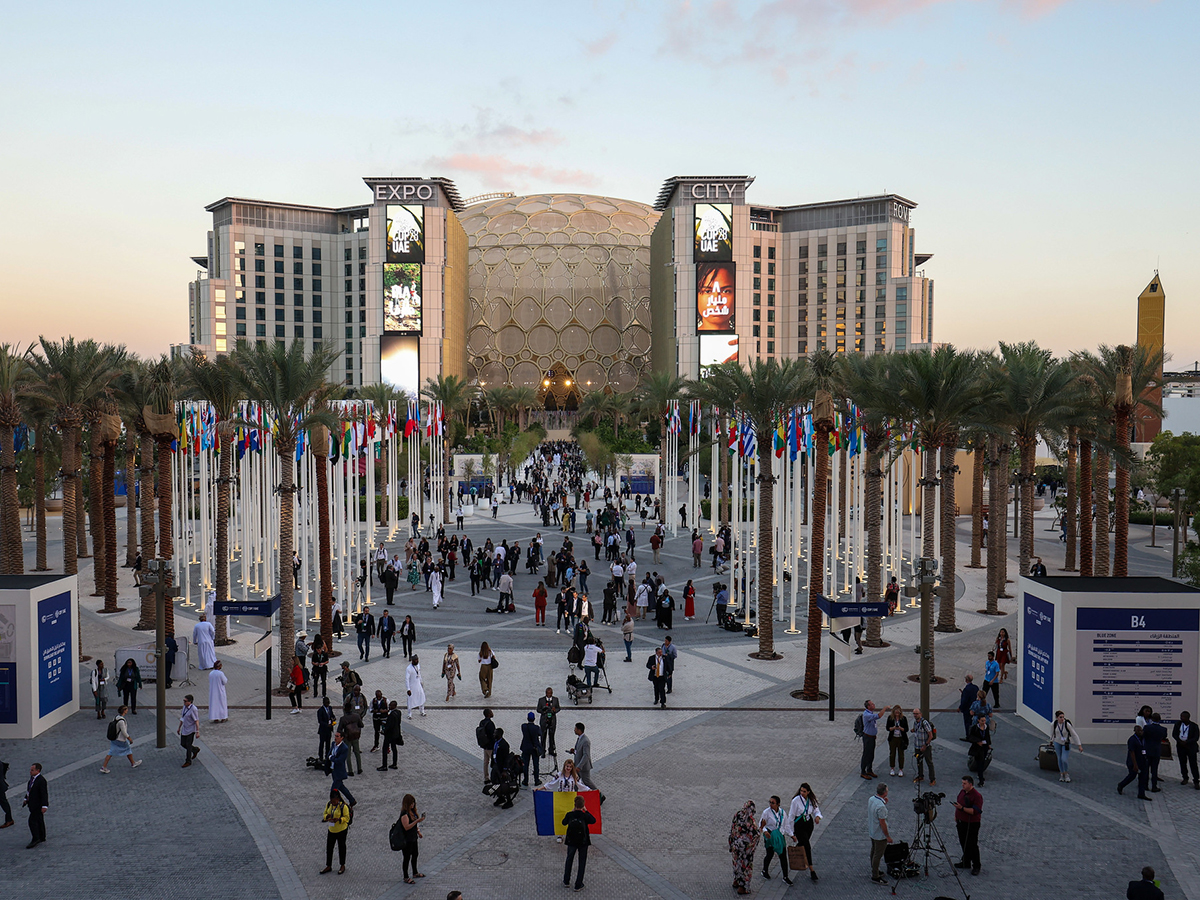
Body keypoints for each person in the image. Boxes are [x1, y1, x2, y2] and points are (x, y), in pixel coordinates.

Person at [787, 783, 821, 882]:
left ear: (808, 792)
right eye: (801, 791)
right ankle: (811, 869)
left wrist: (817, 816)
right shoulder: (795, 801)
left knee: (803, 843)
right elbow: (791, 816)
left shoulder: (811, 800)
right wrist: (791, 832)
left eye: (804, 791)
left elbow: (816, 809)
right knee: (807, 845)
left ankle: (797, 852)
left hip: (808, 823)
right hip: (799, 824)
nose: (802, 793)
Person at [562, 795, 597, 891]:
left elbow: (563, 823)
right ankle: (578, 884)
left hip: (571, 841)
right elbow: (593, 820)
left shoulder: (570, 815)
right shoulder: (585, 816)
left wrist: (573, 811)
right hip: (583, 842)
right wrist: (586, 811)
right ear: (583, 805)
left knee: (569, 859)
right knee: (582, 862)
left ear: (574, 804)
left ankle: (566, 881)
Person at [952, 775, 983, 876]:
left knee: (972, 844)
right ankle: (966, 861)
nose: (962, 785)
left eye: (964, 783)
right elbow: (959, 804)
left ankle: (976, 865)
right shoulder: (962, 792)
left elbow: (976, 811)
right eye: (962, 783)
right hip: (961, 822)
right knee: (963, 842)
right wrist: (957, 815)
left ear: (970, 784)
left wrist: (961, 809)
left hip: (972, 824)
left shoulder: (977, 796)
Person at [759, 795, 792, 885]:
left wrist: (791, 835)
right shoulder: (766, 812)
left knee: (783, 856)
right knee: (770, 854)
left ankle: (785, 876)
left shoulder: (782, 813)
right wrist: (765, 831)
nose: (770, 804)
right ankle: (764, 870)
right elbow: (761, 824)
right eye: (769, 802)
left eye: (772, 803)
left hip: (780, 836)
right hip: (770, 836)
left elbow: (786, 825)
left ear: (778, 804)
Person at [729, 800, 760, 896]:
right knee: (745, 867)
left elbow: (733, 828)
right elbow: (756, 835)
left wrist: (731, 843)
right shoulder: (751, 822)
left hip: (736, 846)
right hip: (746, 849)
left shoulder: (737, 815)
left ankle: (736, 881)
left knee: (736, 863)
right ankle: (743, 887)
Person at [100, 706, 141, 774]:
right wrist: (129, 738)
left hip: (114, 739)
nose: (127, 710)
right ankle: (133, 763)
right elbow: (124, 732)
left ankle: (104, 767)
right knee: (128, 749)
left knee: (110, 752)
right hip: (120, 739)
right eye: (126, 709)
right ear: (124, 711)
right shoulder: (122, 721)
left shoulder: (116, 717)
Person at [319, 788, 351, 875]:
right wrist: (327, 816)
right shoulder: (329, 804)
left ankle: (342, 865)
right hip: (331, 830)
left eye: (334, 801)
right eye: (332, 801)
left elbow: (347, 818)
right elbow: (324, 814)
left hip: (341, 830)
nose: (333, 803)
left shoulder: (343, 806)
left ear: (338, 799)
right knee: (329, 848)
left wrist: (339, 819)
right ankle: (328, 865)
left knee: (341, 847)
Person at [568, 722, 601, 800]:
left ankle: (599, 794)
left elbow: (586, 755)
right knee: (575, 780)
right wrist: (573, 751)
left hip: (583, 767)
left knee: (587, 781)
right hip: (577, 765)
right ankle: (573, 795)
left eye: (575, 729)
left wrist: (579, 766)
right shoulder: (579, 738)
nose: (574, 730)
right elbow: (579, 751)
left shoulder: (586, 741)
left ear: (579, 730)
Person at [867, 782, 892, 884]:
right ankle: (875, 875)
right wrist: (887, 836)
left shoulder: (871, 799)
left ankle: (875, 869)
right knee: (878, 854)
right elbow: (882, 823)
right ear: (885, 793)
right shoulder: (881, 807)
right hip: (879, 834)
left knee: (873, 851)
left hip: (872, 830)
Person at [396, 793, 425, 883]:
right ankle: (406, 876)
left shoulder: (412, 812)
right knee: (407, 857)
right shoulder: (404, 814)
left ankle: (415, 872)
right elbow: (407, 827)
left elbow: (414, 825)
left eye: (414, 803)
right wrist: (417, 820)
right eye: (411, 803)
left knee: (415, 854)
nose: (413, 805)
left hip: (413, 838)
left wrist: (418, 832)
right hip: (407, 840)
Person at [1118, 724, 1152, 800]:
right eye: (1138, 731)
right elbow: (1132, 752)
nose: (1140, 732)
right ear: (1135, 731)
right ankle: (1121, 785)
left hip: (1143, 761)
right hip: (1133, 762)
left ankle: (1141, 793)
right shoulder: (1132, 740)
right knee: (1132, 776)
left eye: (1141, 730)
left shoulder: (1143, 739)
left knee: (1143, 778)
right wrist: (1135, 765)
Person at [22, 763, 48, 849]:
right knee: (39, 819)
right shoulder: (32, 780)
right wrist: (26, 799)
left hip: (37, 805)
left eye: (32, 770)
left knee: (32, 821)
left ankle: (36, 838)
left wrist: (44, 805)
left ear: (38, 771)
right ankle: (42, 836)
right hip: (32, 804)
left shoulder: (41, 780)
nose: (30, 771)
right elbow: (29, 790)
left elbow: (44, 794)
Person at [328, 731, 356, 807]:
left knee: (333, 790)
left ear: (342, 738)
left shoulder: (344, 748)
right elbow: (329, 753)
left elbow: (340, 761)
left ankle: (336, 804)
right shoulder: (333, 744)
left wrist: (331, 758)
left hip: (339, 772)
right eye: (335, 736)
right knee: (341, 787)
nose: (335, 738)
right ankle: (352, 800)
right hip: (333, 770)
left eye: (337, 736)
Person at [911, 707, 937, 787]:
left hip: (925, 746)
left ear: (920, 714)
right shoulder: (915, 723)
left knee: (929, 762)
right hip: (917, 746)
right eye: (914, 714)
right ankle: (920, 776)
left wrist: (925, 745)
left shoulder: (925, 723)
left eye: (917, 713)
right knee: (919, 761)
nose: (915, 715)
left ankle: (932, 779)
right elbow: (916, 730)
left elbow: (930, 735)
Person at [1173, 711, 1200, 788]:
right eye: (1181, 716)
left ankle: (1196, 780)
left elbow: (1196, 737)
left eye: (1183, 717)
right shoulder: (1178, 724)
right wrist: (1179, 741)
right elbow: (1174, 734)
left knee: (1193, 764)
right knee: (1182, 763)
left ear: (1188, 717)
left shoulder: (1194, 726)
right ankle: (1185, 777)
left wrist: (1187, 742)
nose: (1182, 718)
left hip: (1190, 747)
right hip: (1181, 746)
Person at [1144, 713, 1168, 792]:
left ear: (1152, 719)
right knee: (1154, 769)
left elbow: (1144, 736)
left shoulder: (1147, 728)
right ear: (1159, 719)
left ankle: (1145, 785)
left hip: (1147, 750)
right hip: (1157, 750)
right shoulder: (1163, 729)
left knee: (1146, 769)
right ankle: (1154, 786)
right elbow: (1164, 737)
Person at [338, 704, 365, 777]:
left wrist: (344, 734)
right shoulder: (356, 716)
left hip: (347, 737)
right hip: (355, 736)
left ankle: (350, 771)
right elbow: (361, 725)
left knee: (348, 754)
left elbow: (339, 730)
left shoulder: (343, 719)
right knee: (357, 752)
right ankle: (359, 768)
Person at [378, 700, 405, 770]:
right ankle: (394, 764)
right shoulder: (398, 712)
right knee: (394, 748)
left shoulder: (391, 715)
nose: (389, 706)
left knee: (385, 749)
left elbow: (389, 726)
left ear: (394, 706)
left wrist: (383, 731)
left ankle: (384, 765)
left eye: (390, 705)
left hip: (389, 735)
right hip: (395, 734)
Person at [859, 700, 882, 779]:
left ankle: (869, 769)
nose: (874, 705)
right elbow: (879, 716)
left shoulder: (870, 713)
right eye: (872, 704)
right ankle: (863, 771)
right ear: (868, 706)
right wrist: (885, 708)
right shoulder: (867, 715)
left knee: (871, 754)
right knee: (866, 754)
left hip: (872, 737)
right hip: (867, 737)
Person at [968, 714, 992, 785]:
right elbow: (970, 737)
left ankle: (980, 774)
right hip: (977, 747)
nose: (983, 722)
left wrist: (988, 744)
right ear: (978, 720)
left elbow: (987, 736)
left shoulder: (986, 727)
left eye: (984, 720)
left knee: (982, 760)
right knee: (980, 760)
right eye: (982, 721)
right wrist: (977, 741)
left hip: (984, 746)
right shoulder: (974, 728)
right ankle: (981, 778)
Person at [885, 704, 908, 777]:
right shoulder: (890, 718)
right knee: (892, 753)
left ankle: (901, 769)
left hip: (901, 738)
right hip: (893, 738)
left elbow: (906, 729)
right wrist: (893, 728)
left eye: (898, 712)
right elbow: (887, 728)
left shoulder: (903, 718)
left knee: (901, 754)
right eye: (896, 712)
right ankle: (892, 768)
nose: (897, 713)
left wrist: (901, 728)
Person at [178, 695, 201, 767]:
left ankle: (188, 761)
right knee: (183, 743)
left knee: (188, 745)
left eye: (185, 701)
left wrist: (197, 731)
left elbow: (196, 720)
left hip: (191, 729)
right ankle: (195, 749)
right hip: (185, 728)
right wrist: (179, 727)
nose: (184, 702)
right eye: (183, 701)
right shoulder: (184, 707)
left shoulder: (193, 709)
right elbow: (183, 717)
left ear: (190, 702)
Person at [521, 711, 543, 786]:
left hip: (526, 747)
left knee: (525, 764)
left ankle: (525, 780)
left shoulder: (524, 726)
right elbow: (540, 734)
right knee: (536, 764)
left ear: (527, 718)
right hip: (534, 748)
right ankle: (536, 780)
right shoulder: (536, 728)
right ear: (534, 719)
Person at [537, 688, 560, 758]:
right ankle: (542, 751)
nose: (549, 695)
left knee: (552, 736)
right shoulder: (541, 700)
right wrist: (544, 711)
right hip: (544, 720)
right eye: (548, 693)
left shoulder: (556, 700)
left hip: (552, 721)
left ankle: (551, 750)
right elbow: (538, 709)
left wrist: (554, 710)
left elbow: (558, 708)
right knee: (543, 736)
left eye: (550, 693)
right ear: (546, 693)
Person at [958, 674, 979, 740]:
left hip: (967, 708)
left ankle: (969, 736)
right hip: (975, 708)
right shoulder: (976, 687)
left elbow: (964, 700)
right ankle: (974, 734)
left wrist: (960, 708)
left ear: (966, 680)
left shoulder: (966, 689)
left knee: (967, 722)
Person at [317, 696, 336, 761]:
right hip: (323, 730)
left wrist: (333, 718)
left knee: (328, 744)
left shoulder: (330, 708)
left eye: (328, 703)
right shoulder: (320, 710)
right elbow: (320, 721)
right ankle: (321, 756)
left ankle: (327, 756)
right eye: (326, 703)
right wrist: (327, 725)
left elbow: (332, 715)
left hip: (329, 730)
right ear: (323, 703)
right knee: (322, 744)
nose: (328, 704)